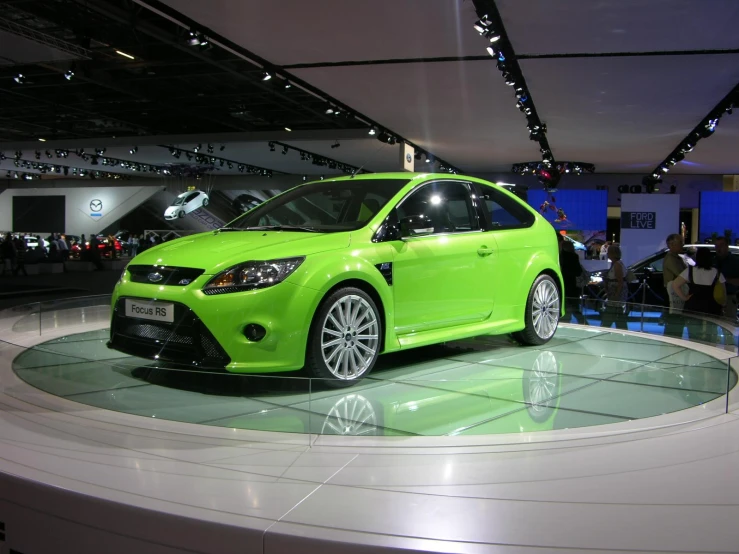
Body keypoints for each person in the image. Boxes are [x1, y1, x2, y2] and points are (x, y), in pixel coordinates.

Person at [672, 247, 725, 343]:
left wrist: (684, 297)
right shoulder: (717, 273)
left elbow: (675, 285)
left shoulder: (690, 271)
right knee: (711, 336)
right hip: (712, 307)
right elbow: (723, 293)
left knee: (693, 337)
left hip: (693, 306)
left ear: (697, 257)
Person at [663, 233, 687, 337]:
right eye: (680, 243)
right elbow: (682, 275)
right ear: (671, 245)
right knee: (674, 323)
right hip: (673, 295)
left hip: (678, 294)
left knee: (677, 322)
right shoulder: (671, 259)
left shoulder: (678, 258)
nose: (682, 244)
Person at [601, 244, 628, 330]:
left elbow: (620, 281)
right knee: (616, 311)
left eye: (609, 252)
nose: (607, 254)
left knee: (613, 310)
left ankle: (606, 327)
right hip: (614, 290)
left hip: (616, 291)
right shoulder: (615, 263)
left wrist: (617, 294)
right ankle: (620, 328)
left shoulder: (617, 265)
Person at [559, 240, 586, 324]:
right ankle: (583, 323)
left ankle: (566, 322)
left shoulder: (560, 256)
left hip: (563, 284)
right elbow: (578, 272)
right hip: (572, 285)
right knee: (575, 307)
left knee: (565, 305)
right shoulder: (574, 256)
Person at [714, 236, 739, 323]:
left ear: (727, 246)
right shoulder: (713, 260)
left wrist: (725, 280)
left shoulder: (735, 262)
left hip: (729, 297)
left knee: (730, 324)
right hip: (714, 298)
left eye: (721, 245)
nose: (718, 248)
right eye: (716, 245)